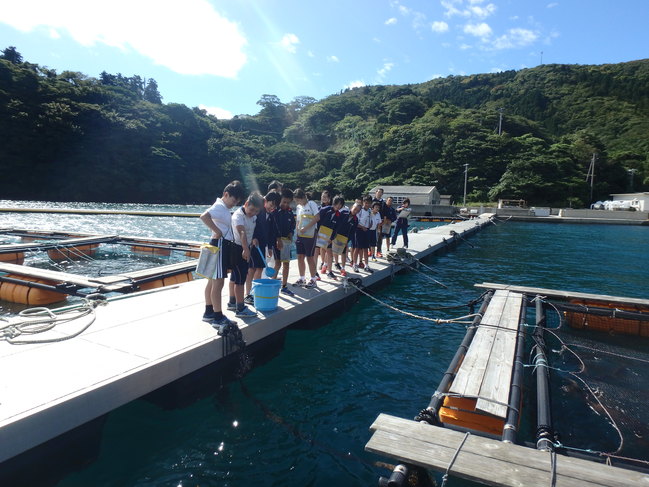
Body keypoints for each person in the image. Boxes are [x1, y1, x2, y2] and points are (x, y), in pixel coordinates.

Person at [198, 180, 246, 326]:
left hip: (219, 244)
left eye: (237, 201)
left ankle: (209, 311)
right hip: (220, 245)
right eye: (233, 200)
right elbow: (204, 216)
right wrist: (217, 231)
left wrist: (217, 231)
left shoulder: (222, 207)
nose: (234, 203)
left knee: (213, 281)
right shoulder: (220, 206)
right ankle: (218, 317)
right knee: (218, 281)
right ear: (226, 194)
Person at [226, 192, 263, 317]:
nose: (253, 213)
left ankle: (232, 302)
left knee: (235, 277)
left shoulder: (253, 217)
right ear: (246, 204)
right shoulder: (238, 216)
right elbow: (242, 233)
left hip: (246, 247)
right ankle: (240, 308)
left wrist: (254, 239)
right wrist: (245, 249)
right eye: (251, 209)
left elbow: (250, 232)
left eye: (256, 211)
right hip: (237, 248)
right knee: (240, 279)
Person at [244, 191, 281, 305]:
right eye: (271, 205)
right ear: (265, 201)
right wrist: (253, 238)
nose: (272, 208)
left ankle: (255, 292)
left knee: (259, 268)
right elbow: (251, 227)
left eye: (274, 207)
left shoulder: (270, 215)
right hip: (254, 245)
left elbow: (271, 233)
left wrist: (270, 247)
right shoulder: (258, 212)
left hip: (262, 246)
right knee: (251, 269)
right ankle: (248, 294)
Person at [272, 188, 296, 296]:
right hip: (277, 241)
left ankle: (284, 286)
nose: (285, 204)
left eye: (288, 202)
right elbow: (273, 227)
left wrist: (291, 233)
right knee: (277, 263)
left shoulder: (290, 212)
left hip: (286, 242)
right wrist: (277, 240)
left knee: (286, 263)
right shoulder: (275, 211)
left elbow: (292, 225)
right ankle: (272, 284)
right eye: (284, 202)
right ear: (280, 200)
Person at [293, 188, 319, 288]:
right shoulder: (299, 207)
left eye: (298, 200)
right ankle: (302, 278)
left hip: (310, 234)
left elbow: (317, 217)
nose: (297, 202)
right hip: (300, 235)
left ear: (303, 197)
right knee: (300, 256)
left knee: (309, 257)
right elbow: (298, 221)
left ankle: (313, 279)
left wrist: (306, 227)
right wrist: (297, 232)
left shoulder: (311, 204)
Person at [318, 195, 344, 279]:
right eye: (337, 203)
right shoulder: (326, 209)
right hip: (319, 234)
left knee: (330, 253)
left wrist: (331, 238)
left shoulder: (339, 215)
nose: (338, 206)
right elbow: (318, 220)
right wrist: (317, 232)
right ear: (334, 202)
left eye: (340, 204)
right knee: (315, 252)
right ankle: (315, 271)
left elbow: (336, 228)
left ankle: (330, 271)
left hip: (329, 236)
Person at [335, 203, 361, 276]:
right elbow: (336, 222)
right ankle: (333, 264)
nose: (355, 211)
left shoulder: (356, 220)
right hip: (336, 235)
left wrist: (347, 240)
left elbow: (353, 232)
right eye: (355, 209)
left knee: (343, 253)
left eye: (357, 211)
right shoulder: (343, 213)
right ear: (351, 207)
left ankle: (343, 268)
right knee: (332, 251)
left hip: (345, 237)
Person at [353, 195, 372, 273]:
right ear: (363, 202)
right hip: (359, 230)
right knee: (357, 248)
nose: (367, 204)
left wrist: (370, 225)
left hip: (366, 230)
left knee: (365, 248)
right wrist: (362, 227)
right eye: (366, 203)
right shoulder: (360, 210)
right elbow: (355, 222)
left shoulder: (370, 210)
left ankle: (366, 265)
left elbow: (369, 219)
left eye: (369, 203)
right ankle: (354, 264)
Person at [372, 188, 386, 257]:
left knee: (379, 236)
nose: (379, 193)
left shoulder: (383, 202)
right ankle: (370, 251)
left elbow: (385, 212)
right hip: (372, 220)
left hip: (380, 221)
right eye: (378, 192)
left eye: (381, 192)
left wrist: (384, 221)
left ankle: (379, 251)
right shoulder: (372, 200)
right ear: (376, 192)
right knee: (370, 236)